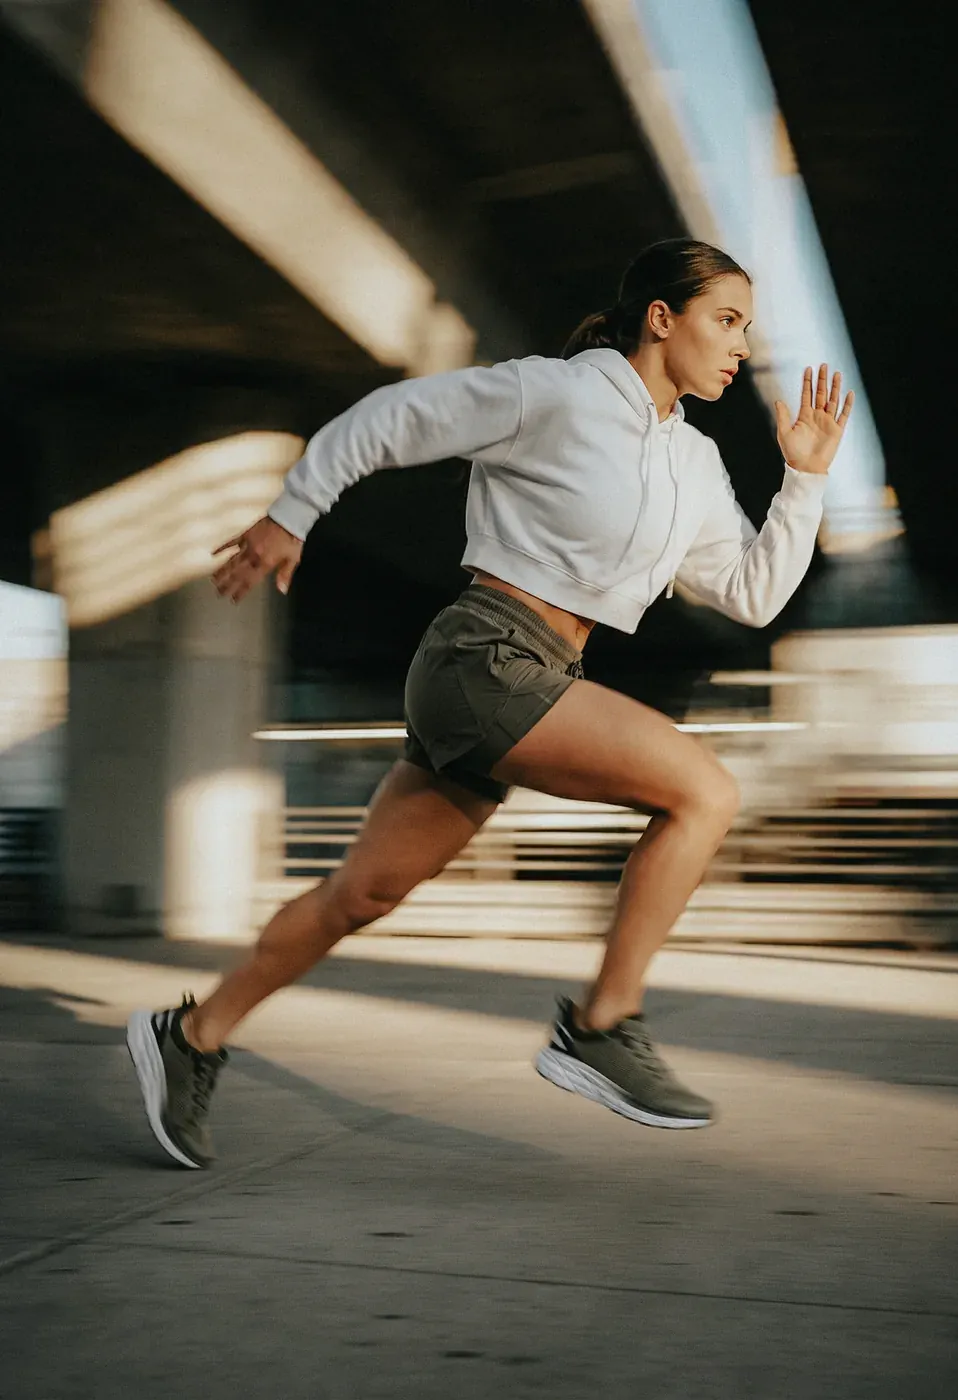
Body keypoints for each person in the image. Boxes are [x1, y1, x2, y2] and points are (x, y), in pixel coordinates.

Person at [126, 238, 853, 1167]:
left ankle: (188, 1038)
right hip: (486, 654)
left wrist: (807, 479)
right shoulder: (554, 394)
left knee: (363, 893)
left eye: (746, 327)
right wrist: (291, 513)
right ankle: (600, 1025)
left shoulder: (695, 463)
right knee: (703, 792)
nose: (742, 344)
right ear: (661, 319)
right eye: (727, 320)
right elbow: (394, 416)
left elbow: (751, 594)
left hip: (539, 674)